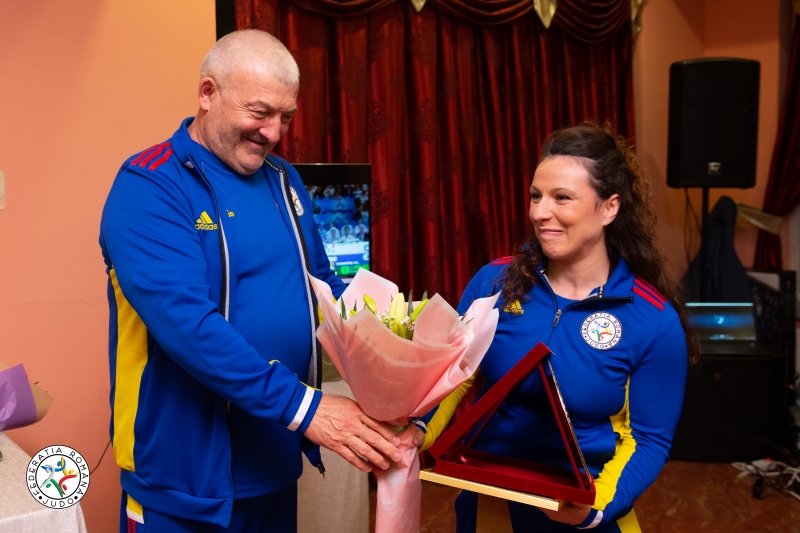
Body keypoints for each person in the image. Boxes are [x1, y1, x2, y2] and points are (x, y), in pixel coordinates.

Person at [99, 29, 402, 533]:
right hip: (183, 479)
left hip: (273, 459)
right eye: (260, 112)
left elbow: (320, 283)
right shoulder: (149, 185)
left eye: (286, 117)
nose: (274, 132)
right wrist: (306, 407)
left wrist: (396, 339)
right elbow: (189, 326)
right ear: (208, 93)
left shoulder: (284, 179)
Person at [413, 124, 694, 532]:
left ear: (609, 208)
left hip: (585, 513)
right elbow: (454, 379)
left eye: (562, 197)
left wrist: (594, 507)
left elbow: (649, 439)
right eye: (536, 196)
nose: (540, 212)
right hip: (490, 506)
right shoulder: (493, 282)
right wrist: (416, 432)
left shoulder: (652, 319)